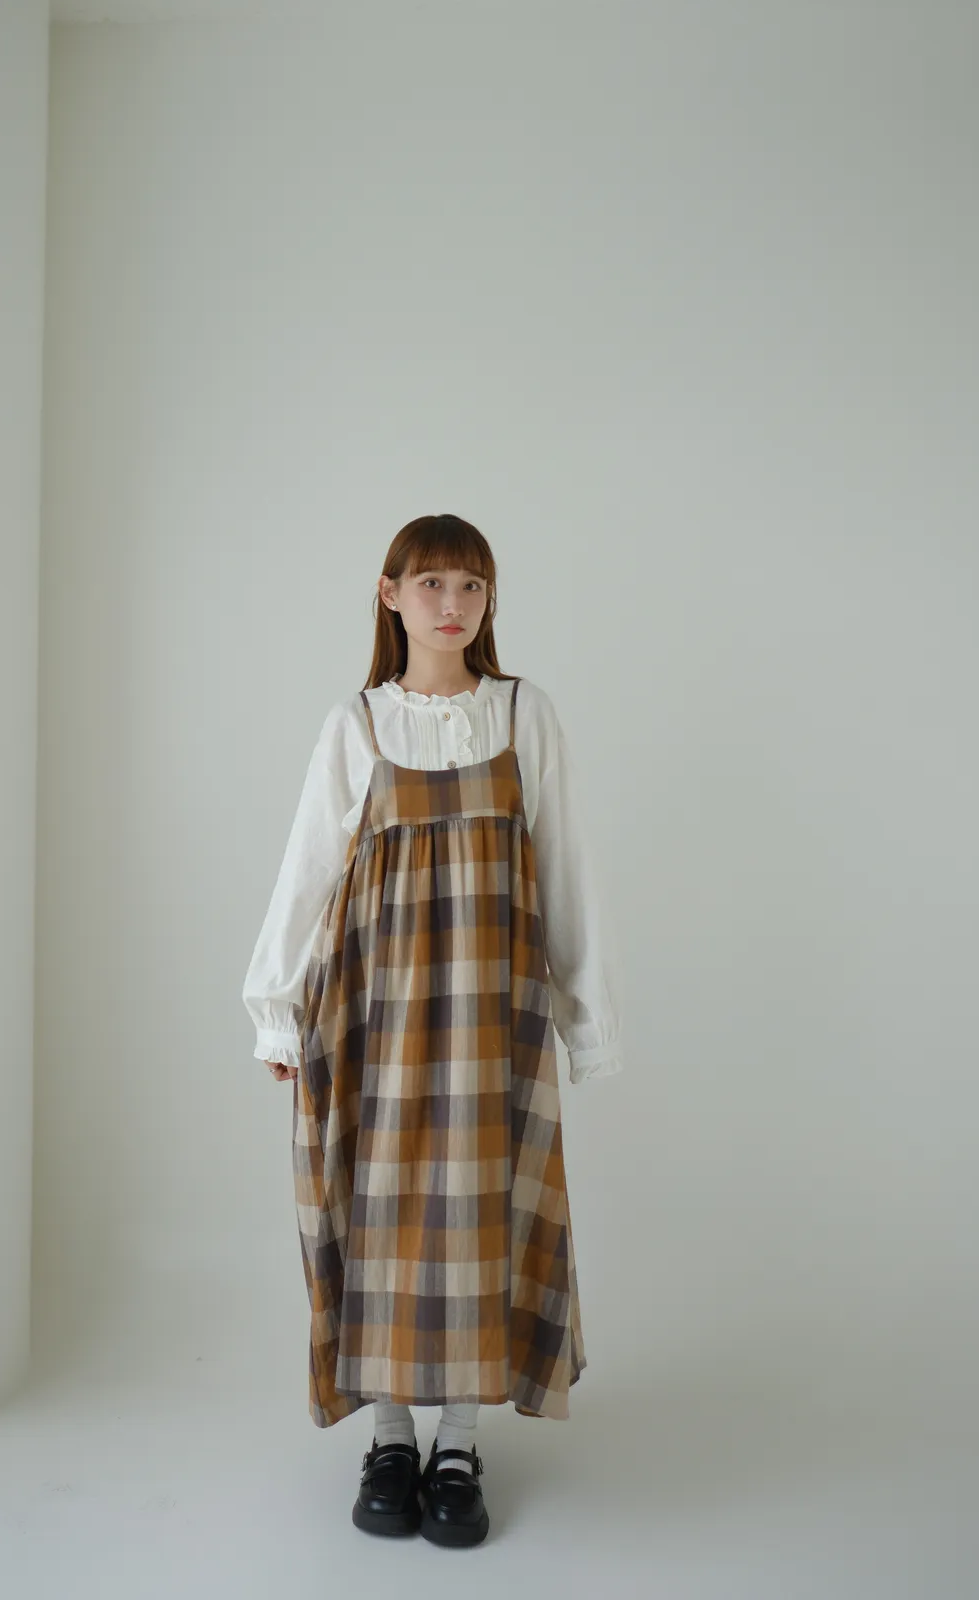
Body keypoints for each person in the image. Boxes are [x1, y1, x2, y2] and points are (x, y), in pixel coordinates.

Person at [242, 513, 622, 1547]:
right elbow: (307, 868)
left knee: (477, 1214)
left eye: (471, 586)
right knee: (379, 1210)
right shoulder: (358, 724)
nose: (451, 605)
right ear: (390, 593)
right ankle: (390, 1438)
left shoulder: (523, 713)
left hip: (493, 1009)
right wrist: (277, 1008)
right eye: (431, 584)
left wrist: (586, 1019)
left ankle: (458, 1442)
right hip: (375, 1006)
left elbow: (569, 868)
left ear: (489, 600)